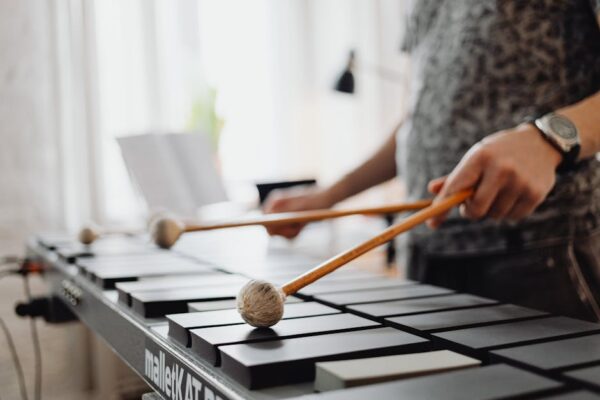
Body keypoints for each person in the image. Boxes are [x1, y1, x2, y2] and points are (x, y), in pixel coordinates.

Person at [264, 1, 600, 322]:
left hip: (542, 250)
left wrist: (549, 139)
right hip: (425, 254)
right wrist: (327, 198)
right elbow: (421, 120)